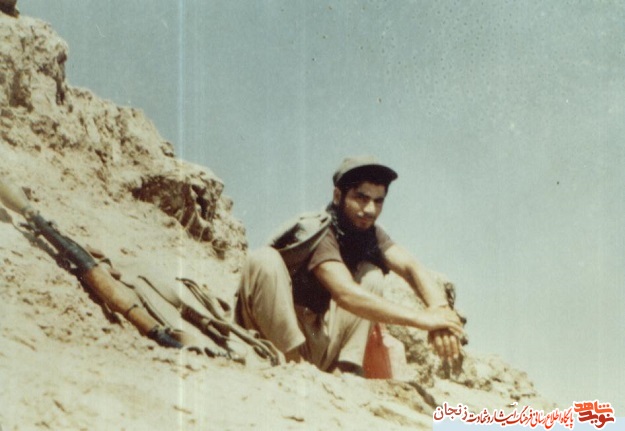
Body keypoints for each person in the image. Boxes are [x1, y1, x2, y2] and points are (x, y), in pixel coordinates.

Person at [235, 155, 465, 375]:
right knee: (264, 260)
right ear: (338, 196)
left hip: (316, 337)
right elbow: (345, 293)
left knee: (371, 275)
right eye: (361, 198)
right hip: (272, 338)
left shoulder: (368, 232)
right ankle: (293, 366)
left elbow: (410, 267)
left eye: (378, 201)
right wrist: (422, 320)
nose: (370, 210)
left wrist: (441, 313)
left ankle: (343, 370)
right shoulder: (319, 230)